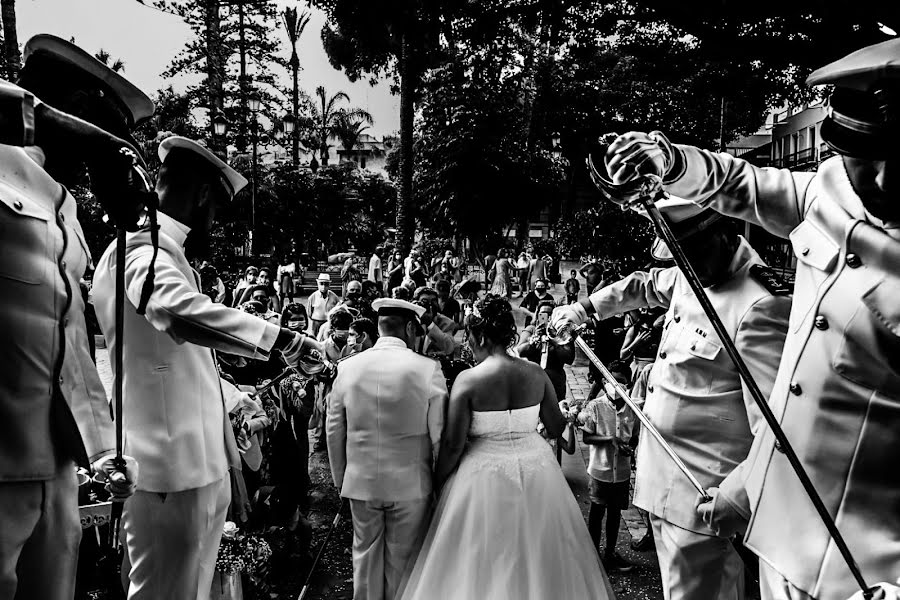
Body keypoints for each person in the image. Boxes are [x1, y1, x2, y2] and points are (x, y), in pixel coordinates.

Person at [600, 38, 900, 600]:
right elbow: (739, 183)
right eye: (867, 157)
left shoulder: (756, 303)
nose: (883, 182)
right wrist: (667, 160)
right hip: (785, 538)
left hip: (872, 565)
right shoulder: (828, 189)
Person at [92, 136, 316, 600]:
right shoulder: (141, 250)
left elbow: (184, 363)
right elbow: (176, 312)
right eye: (216, 208)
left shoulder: (162, 252)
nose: (215, 222)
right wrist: (281, 339)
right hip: (167, 473)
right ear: (201, 195)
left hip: (193, 470)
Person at [552, 198, 791, 600]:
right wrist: (584, 309)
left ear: (722, 234)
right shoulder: (691, 269)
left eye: (691, 254)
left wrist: (739, 495)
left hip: (705, 494)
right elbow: (643, 285)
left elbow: (777, 424)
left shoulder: (760, 304)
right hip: (661, 479)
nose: (686, 269)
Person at [0, 34, 143, 600]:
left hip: (54, 464)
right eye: (102, 123)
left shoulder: (65, 206)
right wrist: (60, 127)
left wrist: (103, 448)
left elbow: (71, 340)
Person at [397, 295, 615, 600]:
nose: (468, 346)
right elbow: (554, 427)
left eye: (470, 338)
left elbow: (453, 443)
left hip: (481, 474)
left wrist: (438, 481)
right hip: (538, 471)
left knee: (481, 558)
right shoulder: (536, 374)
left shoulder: (469, 380)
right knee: (540, 552)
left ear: (482, 336)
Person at [326, 298, 448, 600]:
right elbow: (438, 434)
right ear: (409, 327)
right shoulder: (427, 369)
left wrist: (341, 479)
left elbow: (334, 428)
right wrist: (439, 480)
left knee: (364, 556)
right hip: (411, 483)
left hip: (361, 480)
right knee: (404, 562)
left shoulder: (348, 367)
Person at [580, 367, 637, 572]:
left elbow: (635, 436)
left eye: (620, 380)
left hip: (621, 473)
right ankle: (593, 555)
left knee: (615, 514)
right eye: (611, 380)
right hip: (600, 471)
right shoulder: (596, 407)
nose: (615, 385)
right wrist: (610, 440)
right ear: (605, 382)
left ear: (627, 385)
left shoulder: (632, 409)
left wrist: (630, 449)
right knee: (597, 513)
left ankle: (610, 553)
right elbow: (587, 437)